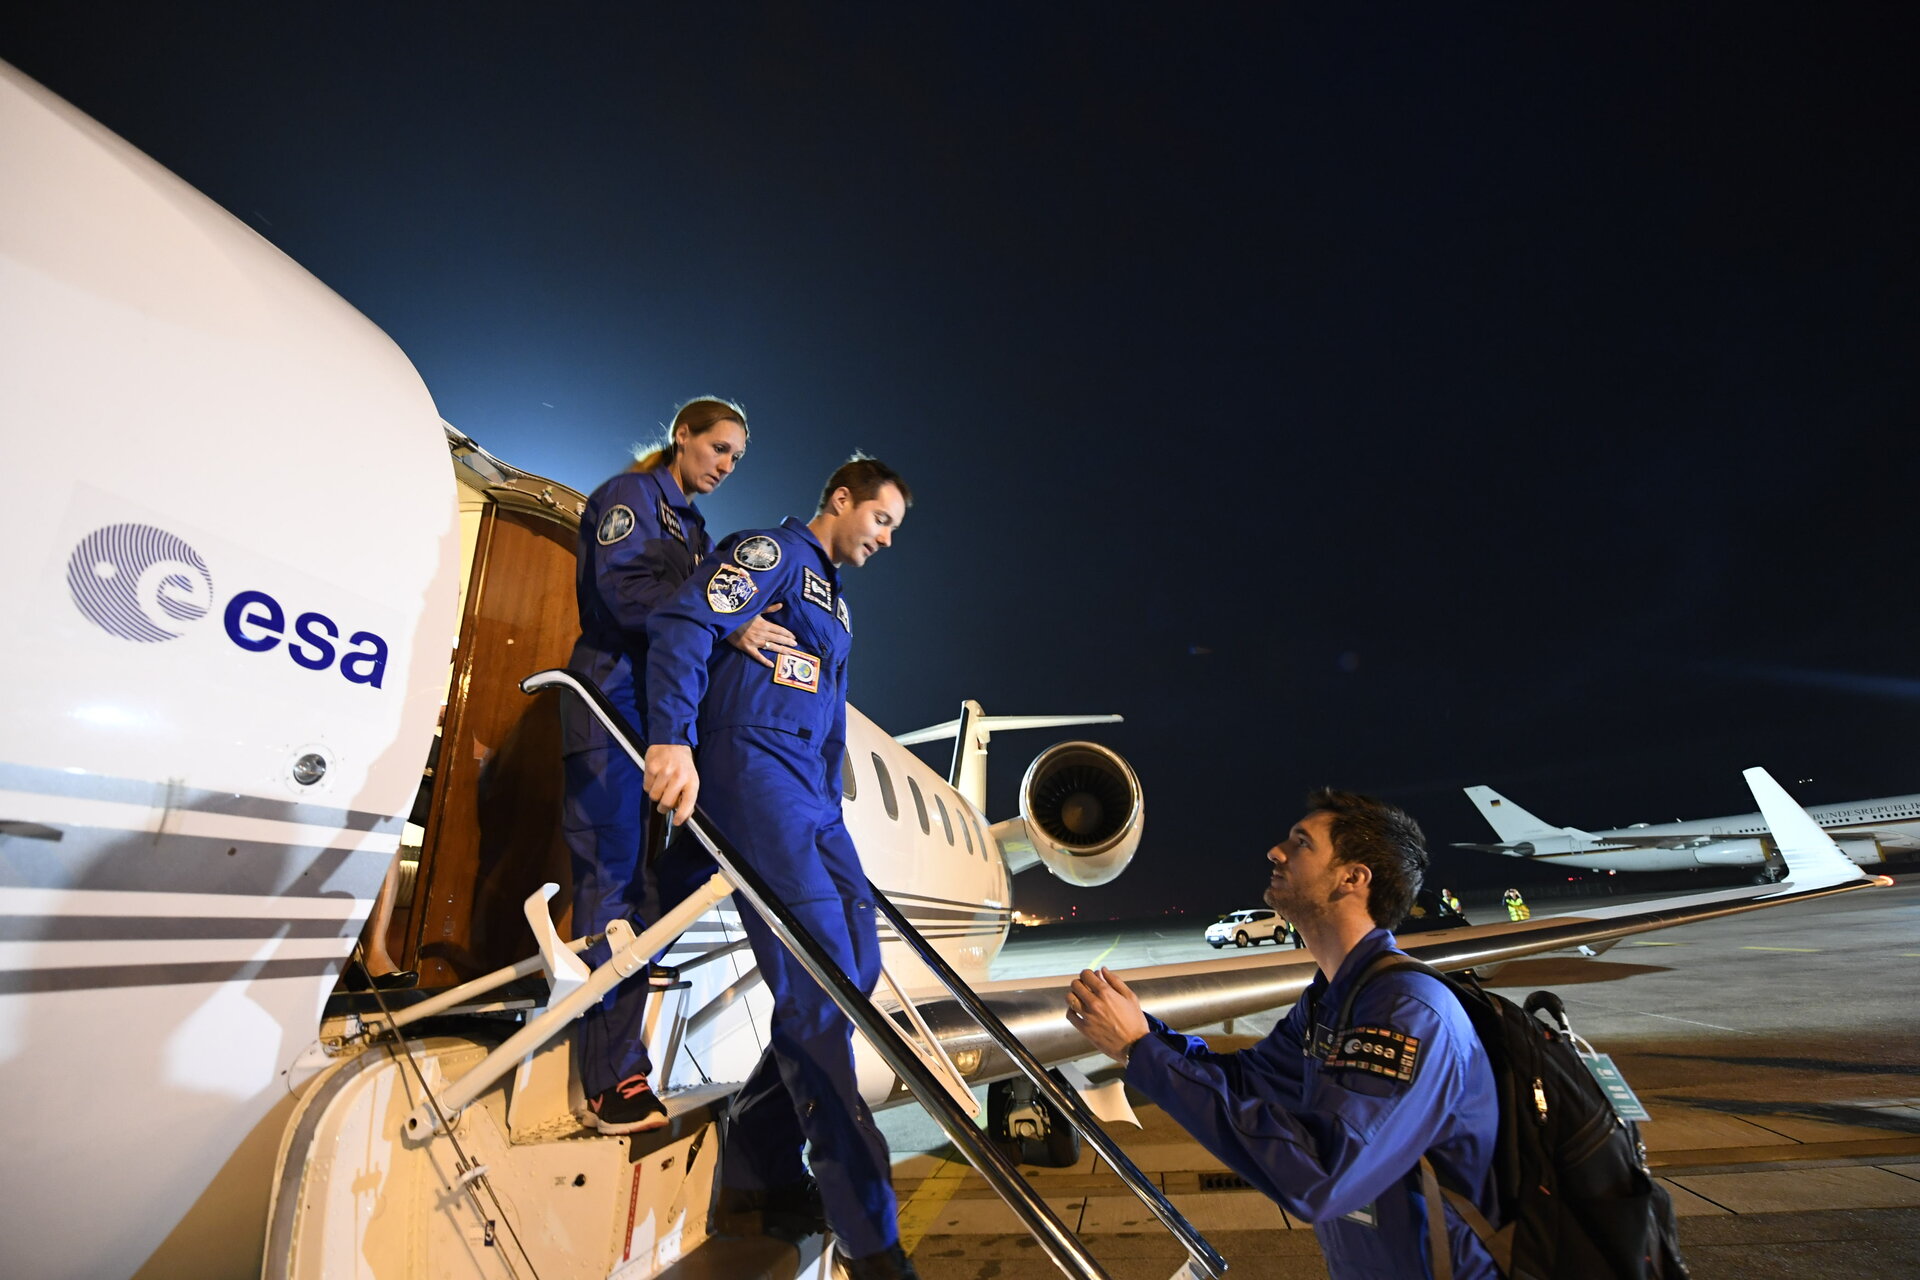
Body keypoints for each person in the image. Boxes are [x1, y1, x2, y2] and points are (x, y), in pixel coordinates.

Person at [642, 456, 916, 1280]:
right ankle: (871, 1239)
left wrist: (833, 810)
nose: (887, 538)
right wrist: (670, 738)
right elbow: (685, 623)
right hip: (751, 768)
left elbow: (829, 714)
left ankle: (760, 1152)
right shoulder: (771, 555)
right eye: (882, 519)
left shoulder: (838, 603)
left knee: (859, 966)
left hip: (811, 795)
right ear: (841, 499)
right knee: (824, 985)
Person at [1065, 789, 1502, 1280]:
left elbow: (1320, 1176)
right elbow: (1250, 1078)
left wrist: (1139, 1050)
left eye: (1301, 843)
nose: (1276, 851)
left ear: (1352, 878)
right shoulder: (1335, 998)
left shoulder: (1405, 1011)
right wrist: (1146, 1037)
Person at [562, 396, 797, 1135]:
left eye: (737, 458)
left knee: (656, 887)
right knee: (612, 878)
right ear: (682, 437)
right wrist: (725, 622)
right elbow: (626, 594)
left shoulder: (697, 532)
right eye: (718, 448)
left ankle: (623, 1047)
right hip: (611, 706)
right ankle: (610, 1081)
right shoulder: (631, 499)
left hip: (662, 721)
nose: (726, 466)